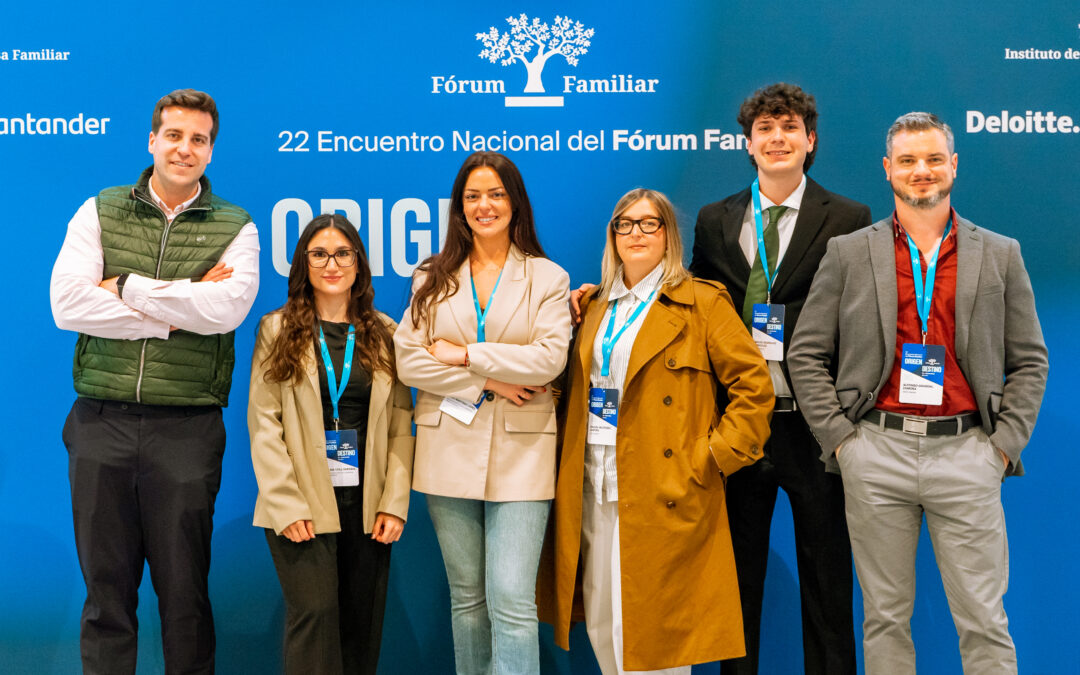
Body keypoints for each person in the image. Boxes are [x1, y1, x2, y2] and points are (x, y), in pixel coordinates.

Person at [788, 112, 1048, 674]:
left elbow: (1029, 360)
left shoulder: (999, 252)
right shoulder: (848, 252)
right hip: (875, 454)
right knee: (884, 619)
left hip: (968, 453)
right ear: (888, 169)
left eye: (933, 159)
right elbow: (805, 354)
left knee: (984, 620)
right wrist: (842, 442)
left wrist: (1002, 447)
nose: (921, 170)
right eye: (907, 160)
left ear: (953, 165)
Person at [50, 88, 260, 673]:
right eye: (174, 135)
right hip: (101, 423)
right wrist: (178, 310)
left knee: (185, 596)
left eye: (198, 139)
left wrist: (124, 286)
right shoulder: (100, 209)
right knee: (105, 597)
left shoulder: (236, 226)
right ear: (152, 141)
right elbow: (68, 305)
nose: (184, 149)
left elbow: (224, 311)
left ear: (211, 151)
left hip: (187, 429)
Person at [545, 188, 774, 674]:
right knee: (604, 624)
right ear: (613, 236)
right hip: (594, 483)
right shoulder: (593, 305)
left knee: (658, 639)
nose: (637, 233)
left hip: (666, 488)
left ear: (669, 235)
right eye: (625, 224)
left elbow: (755, 388)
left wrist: (710, 460)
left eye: (650, 223)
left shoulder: (702, 302)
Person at [688, 82, 871, 675]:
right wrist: (606, 297)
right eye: (764, 129)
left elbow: (862, 321)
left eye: (789, 127)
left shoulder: (848, 218)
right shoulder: (714, 220)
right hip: (738, 423)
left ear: (810, 140)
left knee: (827, 579)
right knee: (735, 581)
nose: (777, 138)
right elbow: (689, 304)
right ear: (748, 143)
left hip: (814, 426)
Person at [393, 151, 571, 674]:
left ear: (515, 203)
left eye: (495, 194)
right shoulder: (432, 275)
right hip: (447, 447)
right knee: (467, 598)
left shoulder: (547, 277)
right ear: (459, 207)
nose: (483, 206)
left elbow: (548, 360)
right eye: (472, 196)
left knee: (512, 600)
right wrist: (488, 379)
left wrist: (466, 353)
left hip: (523, 452)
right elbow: (410, 361)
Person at [248, 214, 414, 674]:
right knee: (315, 615)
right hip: (302, 500)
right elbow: (264, 422)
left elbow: (402, 423)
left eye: (343, 254)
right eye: (319, 254)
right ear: (303, 263)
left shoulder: (385, 332)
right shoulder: (277, 329)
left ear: (359, 263)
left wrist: (394, 501)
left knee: (361, 625)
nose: (332, 264)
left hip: (368, 503)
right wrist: (286, 503)